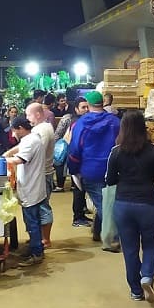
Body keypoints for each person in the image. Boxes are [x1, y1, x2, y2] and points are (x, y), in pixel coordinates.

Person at [105, 111, 154, 303]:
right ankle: (147, 276)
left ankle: (135, 290)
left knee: (130, 248)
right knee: (149, 244)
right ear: (143, 127)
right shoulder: (153, 150)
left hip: (123, 205)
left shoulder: (116, 151)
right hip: (149, 204)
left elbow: (110, 179)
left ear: (123, 128)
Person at [67, 91, 120, 241]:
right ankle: (98, 232)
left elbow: (75, 149)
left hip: (90, 170)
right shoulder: (115, 122)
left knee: (103, 204)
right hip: (112, 169)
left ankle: (114, 238)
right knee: (106, 201)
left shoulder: (81, 124)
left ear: (88, 105)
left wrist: (73, 169)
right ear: (103, 103)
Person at [6, 116, 48, 267]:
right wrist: (7, 154)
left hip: (31, 188)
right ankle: (34, 248)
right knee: (32, 222)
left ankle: (36, 254)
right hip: (31, 186)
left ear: (21, 129)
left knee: (32, 223)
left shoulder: (31, 141)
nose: (13, 134)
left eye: (14, 131)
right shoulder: (30, 139)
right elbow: (18, 151)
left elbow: (20, 160)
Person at [55, 97, 90, 226]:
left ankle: (81, 214)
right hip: (76, 161)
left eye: (87, 107)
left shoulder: (85, 121)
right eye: (83, 107)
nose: (86, 110)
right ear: (76, 109)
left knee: (81, 190)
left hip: (83, 162)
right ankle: (77, 218)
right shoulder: (76, 123)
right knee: (78, 189)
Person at [25, 103, 56, 246]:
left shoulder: (42, 130)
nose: (27, 118)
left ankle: (45, 239)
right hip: (42, 173)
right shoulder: (43, 127)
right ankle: (39, 238)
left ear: (37, 114)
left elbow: (36, 151)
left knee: (43, 207)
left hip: (42, 174)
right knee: (39, 207)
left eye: (28, 114)